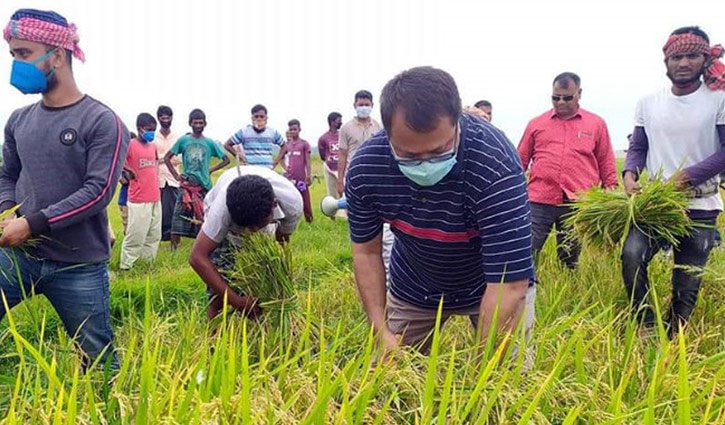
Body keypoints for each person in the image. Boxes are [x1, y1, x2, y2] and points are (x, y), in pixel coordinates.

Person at [346, 66, 535, 359]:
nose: (425, 165)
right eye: (409, 156)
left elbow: (510, 283)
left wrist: (483, 371)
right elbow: (367, 254)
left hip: (492, 282)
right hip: (415, 282)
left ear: (457, 123)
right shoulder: (367, 168)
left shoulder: (494, 163)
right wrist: (380, 330)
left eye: (438, 151)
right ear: (387, 135)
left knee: (506, 383)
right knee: (387, 379)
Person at [0, 9, 130, 368]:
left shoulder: (102, 121)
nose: (15, 64)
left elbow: (99, 191)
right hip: (17, 256)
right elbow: (7, 174)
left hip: (79, 265)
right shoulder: (18, 121)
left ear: (57, 55)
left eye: (24, 54)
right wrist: (8, 212)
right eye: (12, 55)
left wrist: (31, 224)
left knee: (99, 360)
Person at [622, 26, 725, 337]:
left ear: (705, 59)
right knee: (631, 256)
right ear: (666, 62)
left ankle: (675, 335)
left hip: (700, 203)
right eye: (677, 57)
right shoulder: (648, 102)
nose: (683, 63)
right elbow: (639, 146)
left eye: (692, 56)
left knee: (687, 277)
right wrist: (629, 174)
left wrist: (687, 177)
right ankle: (646, 323)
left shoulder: (718, 99)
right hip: (655, 204)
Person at [518, 72, 618, 269]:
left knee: (570, 259)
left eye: (567, 97)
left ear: (579, 93)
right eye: (556, 98)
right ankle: (526, 292)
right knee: (526, 251)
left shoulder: (596, 124)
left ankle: (568, 291)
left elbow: (606, 160)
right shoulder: (536, 124)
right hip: (539, 200)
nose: (560, 102)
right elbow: (518, 161)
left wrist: (611, 190)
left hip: (577, 201)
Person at [189, 166, 303, 319]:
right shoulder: (221, 211)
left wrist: (278, 276)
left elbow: (281, 241)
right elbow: (198, 257)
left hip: (264, 221)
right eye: (247, 227)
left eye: (257, 225)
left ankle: (259, 329)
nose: (252, 232)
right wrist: (236, 301)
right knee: (221, 280)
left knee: (261, 280)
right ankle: (214, 334)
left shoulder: (292, 204)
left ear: (273, 207)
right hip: (229, 225)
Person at [164, 109, 230, 250]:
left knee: (206, 219)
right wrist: (176, 175)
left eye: (201, 122)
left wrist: (210, 170)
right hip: (187, 186)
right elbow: (167, 158)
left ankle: (204, 248)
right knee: (177, 219)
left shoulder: (210, 143)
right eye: (195, 123)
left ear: (205, 123)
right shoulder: (184, 140)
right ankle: (173, 249)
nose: (198, 125)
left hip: (204, 186)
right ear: (190, 123)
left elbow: (226, 159)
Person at [120, 113, 162, 270]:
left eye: (154, 129)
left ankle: (146, 264)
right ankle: (127, 265)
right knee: (136, 234)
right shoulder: (130, 145)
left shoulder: (153, 147)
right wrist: (128, 171)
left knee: (154, 234)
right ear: (140, 129)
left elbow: (156, 163)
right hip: (138, 198)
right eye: (149, 129)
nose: (152, 132)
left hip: (155, 196)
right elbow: (118, 160)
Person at [337, 90, 382, 196]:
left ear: (372, 105)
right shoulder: (346, 128)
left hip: (374, 177)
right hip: (353, 176)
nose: (364, 107)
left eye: (367, 105)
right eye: (361, 105)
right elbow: (342, 155)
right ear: (354, 105)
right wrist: (340, 181)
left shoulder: (378, 127)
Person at [273, 119, 313, 223]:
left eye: (295, 129)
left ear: (299, 129)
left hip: (301, 178)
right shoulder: (286, 145)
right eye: (291, 129)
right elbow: (280, 157)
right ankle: (288, 221)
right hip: (289, 178)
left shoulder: (304, 144)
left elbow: (308, 160)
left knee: (305, 200)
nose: (292, 131)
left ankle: (309, 221)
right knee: (287, 199)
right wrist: (285, 167)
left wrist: (309, 175)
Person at [156, 105, 180, 242]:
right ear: (159, 118)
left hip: (173, 178)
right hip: (158, 178)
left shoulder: (177, 137)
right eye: (162, 117)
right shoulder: (154, 137)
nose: (165, 119)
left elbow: (178, 159)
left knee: (173, 208)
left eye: (168, 117)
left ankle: (173, 234)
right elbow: (152, 157)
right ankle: (160, 234)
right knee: (160, 208)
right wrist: (166, 158)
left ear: (171, 118)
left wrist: (162, 158)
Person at [318, 112, 342, 200]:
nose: (340, 123)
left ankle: (346, 212)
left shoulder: (343, 135)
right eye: (338, 121)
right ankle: (333, 212)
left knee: (344, 192)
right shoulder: (323, 138)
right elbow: (322, 155)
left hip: (343, 167)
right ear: (332, 122)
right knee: (332, 193)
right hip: (329, 168)